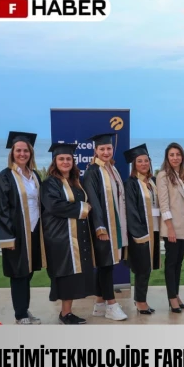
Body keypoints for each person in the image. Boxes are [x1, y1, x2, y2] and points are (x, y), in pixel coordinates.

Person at [0, 131, 46, 325]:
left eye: (26, 151)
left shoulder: (34, 176)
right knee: (18, 273)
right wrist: (7, 237)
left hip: (34, 231)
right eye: (18, 150)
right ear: (12, 153)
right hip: (17, 232)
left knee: (28, 272)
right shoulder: (6, 176)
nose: (22, 154)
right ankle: (20, 314)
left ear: (31, 153)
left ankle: (24, 308)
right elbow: (1, 209)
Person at [41, 143, 94, 325]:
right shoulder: (50, 183)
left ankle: (68, 311)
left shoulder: (75, 182)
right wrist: (83, 207)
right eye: (61, 159)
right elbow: (54, 206)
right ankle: (65, 313)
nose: (65, 162)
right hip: (60, 235)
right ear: (55, 162)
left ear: (73, 161)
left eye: (68, 159)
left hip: (76, 234)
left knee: (73, 274)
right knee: (65, 274)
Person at [83, 133, 128, 321]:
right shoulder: (92, 171)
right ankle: (111, 305)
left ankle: (99, 304)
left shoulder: (112, 169)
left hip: (114, 222)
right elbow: (93, 201)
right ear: (95, 151)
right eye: (102, 149)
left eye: (108, 148)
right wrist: (100, 228)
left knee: (105, 265)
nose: (106, 152)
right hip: (103, 225)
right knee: (106, 265)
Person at [157, 143, 184, 313]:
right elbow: (164, 204)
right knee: (171, 263)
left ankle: (176, 294)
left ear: (182, 157)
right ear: (167, 157)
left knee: (179, 262)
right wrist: (170, 228)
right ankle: (172, 298)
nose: (175, 158)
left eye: (178, 154)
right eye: (171, 155)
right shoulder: (163, 176)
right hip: (172, 226)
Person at [124, 144, 161, 315]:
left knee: (147, 268)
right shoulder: (131, 184)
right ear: (134, 164)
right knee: (142, 268)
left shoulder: (152, 182)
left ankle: (141, 300)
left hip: (154, 230)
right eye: (139, 161)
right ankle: (140, 302)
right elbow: (131, 210)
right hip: (140, 233)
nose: (144, 164)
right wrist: (139, 234)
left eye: (146, 160)